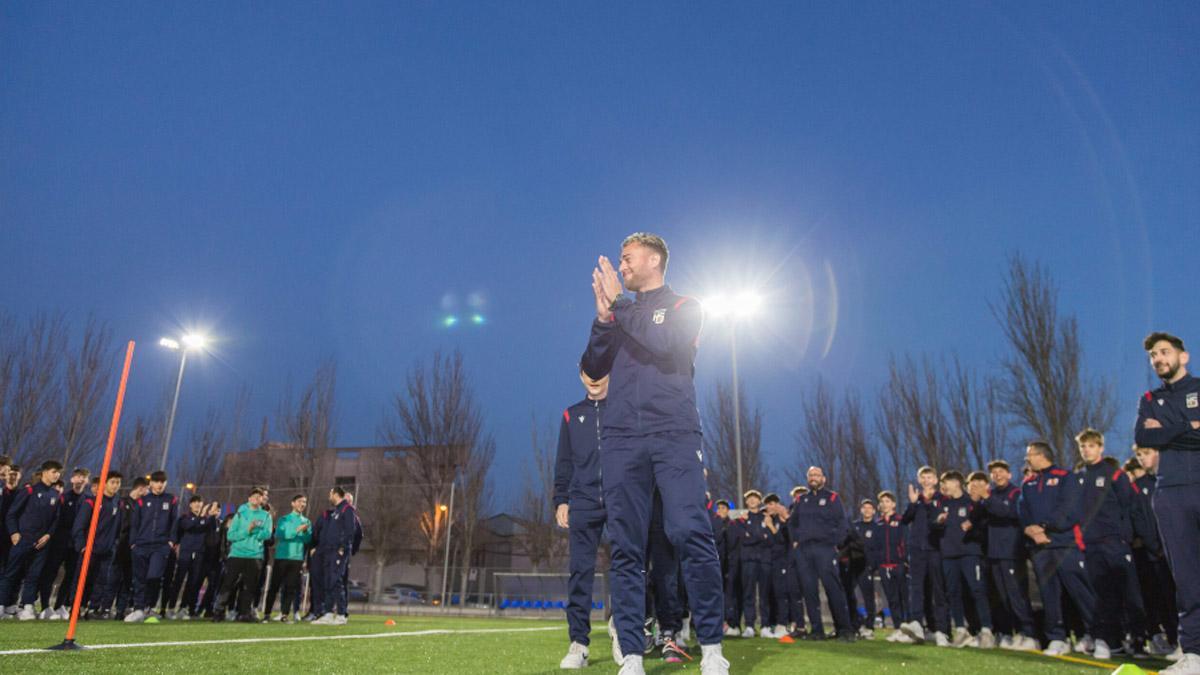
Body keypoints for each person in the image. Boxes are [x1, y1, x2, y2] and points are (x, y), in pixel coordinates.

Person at [582, 233, 728, 674]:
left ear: (654, 260)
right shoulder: (620, 314)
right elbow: (592, 369)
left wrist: (619, 307)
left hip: (674, 433)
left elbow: (664, 342)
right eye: (620, 260)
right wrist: (603, 320)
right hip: (622, 438)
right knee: (625, 545)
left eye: (628, 258)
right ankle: (631, 653)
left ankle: (712, 647)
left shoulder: (686, 307)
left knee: (688, 531)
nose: (621, 266)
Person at [1134, 332, 1200, 674]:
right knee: (1187, 581)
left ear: (1183, 356)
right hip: (1171, 494)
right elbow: (1144, 436)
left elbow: (1161, 435)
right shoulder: (1149, 398)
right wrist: (1190, 426)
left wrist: (1168, 429)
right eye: (1153, 355)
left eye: (1164, 352)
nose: (1158, 359)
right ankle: (1194, 655)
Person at [1072, 428, 1150, 659]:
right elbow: (1075, 514)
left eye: (1091, 446)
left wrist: (1128, 537)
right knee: (1103, 595)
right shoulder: (1078, 477)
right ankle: (1109, 641)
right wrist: (1081, 542)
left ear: (1101, 447)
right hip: (1091, 545)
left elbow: (1130, 506)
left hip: (1116, 543)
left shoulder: (1114, 474)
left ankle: (1139, 641)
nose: (1087, 450)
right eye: (1083, 446)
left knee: (1130, 593)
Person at [1019, 440, 1097, 657]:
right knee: (1048, 595)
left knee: (1080, 591)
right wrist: (1029, 529)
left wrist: (1045, 527)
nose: (1027, 459)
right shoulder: (1028, 483)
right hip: (1039, 548)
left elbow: (1070, 509)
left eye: (1029, 455)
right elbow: (1022, 510)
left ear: (1041, 455)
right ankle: (1057, 638)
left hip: (1065, 544)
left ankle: (1097, 635)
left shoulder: (1065, 477)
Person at [554, 369, 610, 669]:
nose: (594, 377)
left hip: (619, 499)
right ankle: (579, 643)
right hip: (584, 502)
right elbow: (563, 461)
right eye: (588, 372)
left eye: (600, 370)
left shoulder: (624, 409)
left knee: (630, 566)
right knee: (580, 571)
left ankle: (624, 631)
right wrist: (561, 499)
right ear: (580, 376)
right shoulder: (571, 415)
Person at [779, 466, 855, 642]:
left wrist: (836, 543)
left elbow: (842, 523)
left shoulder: (832, 498)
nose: (813, 477)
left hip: (825, 549)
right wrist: (795, 541)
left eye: (817, 475)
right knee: (809, 591)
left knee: (833, 589)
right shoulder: (801, 500)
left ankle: (844, 630)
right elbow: (792, 523)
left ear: (823, 479)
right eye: (811, 475)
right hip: (804, 551)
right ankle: (817, 630)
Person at [978, 461, 1037, 651]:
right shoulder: (990, 495)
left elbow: (1009, 512)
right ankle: (1011, 632)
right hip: (994, 553)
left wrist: (987, 498)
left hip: (1011, 552)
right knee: (1003, 596)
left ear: (1009, 474)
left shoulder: (1016, 493)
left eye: (1001, 471)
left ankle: (1029, 633)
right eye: (994, 473)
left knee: (1017, 594)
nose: (998, 475)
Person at [933, 471, 994, 649]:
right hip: (949, 555)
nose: (943, 486)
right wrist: (938, 521)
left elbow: (983, 526)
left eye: (945, 482)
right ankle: (960, 629)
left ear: (956, 483)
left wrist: (972, 528)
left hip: (970, 553)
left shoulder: (971, 502)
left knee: (977, 590)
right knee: (953, 592)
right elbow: (933, 526)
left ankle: (986, 630)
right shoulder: (942, 504)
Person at [1132, 445, 1181, 660]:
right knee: (1167, 599)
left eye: (1147, 453)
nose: (1142, 458)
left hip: (1180, 550)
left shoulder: (1175, 478)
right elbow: (1139, 519)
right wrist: (1156, 547)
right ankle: (1178, 641)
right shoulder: (1138, 486)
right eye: (1139, 455)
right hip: (1157, 555)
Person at [0, 460, 63, 620]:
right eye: (54, 471)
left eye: (58, 472)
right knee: (11, 573)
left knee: (33, 576)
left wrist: (48, 535)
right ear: (44, 472)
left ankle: (27, 606)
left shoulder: (56, 495)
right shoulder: (29, 491)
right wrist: (14, 533)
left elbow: (55, 520)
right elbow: (11, 514)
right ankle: (2, 605)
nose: (57, 475)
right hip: (22, 540)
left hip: (42, 543)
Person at [898, 466, 951, 647]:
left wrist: (928, 504)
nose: (926, 481)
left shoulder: (942, 499)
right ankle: (917, 624)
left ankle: (942, 630)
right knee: (916, 588)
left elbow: (939, 523)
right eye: (923, 477)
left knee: (938, 590)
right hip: (916, 550)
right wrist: (913, 503)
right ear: (919, 480)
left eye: (929, 477)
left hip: (935, 549)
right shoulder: (917, 499)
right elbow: (905, 520)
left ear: (936, 480)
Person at [213, 488, 273, 622]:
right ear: (249, 498)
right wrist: (248, 530)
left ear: (262, 500)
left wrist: (255, 533)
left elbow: (267, 534)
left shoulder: (266, 516)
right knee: (228, 583)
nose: (257, 499)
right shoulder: (240, 514)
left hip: (255, 555)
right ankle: (218, 612)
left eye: (259, 497)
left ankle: (244, 613)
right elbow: (231, 535)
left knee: (249, 586)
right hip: (237, 554)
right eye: (254, 496)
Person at [37, 466, 88, 620]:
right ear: (72, 479)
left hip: (76, 544)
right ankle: (45, 606)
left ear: (86, 481)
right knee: (50, 572)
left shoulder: (88, 500)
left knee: (71, 575)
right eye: (78, 476)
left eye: (83, 477)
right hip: (59, 541)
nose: (80, 479)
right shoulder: (63, 497)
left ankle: (60, 606)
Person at [126, 471, 177, 622]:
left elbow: (174, 521)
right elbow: (135, 523)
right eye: (157, 481)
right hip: (141, 545)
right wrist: (133, 543)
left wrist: (171, 541)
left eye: (162, 482)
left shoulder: (171, 500)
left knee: (154, 576)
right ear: (151, 483)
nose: (160, 484)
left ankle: (149, 607)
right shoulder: (142, 501)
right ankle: (138, 609)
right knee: (139, 579)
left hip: (161, 546)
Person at [72, 471, 123, 619]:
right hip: (90, 549)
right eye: (112, 482)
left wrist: (114, 545)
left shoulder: (118, 503)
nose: (115, 486)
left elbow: (118, 527)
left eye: (118, 483)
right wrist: (82, 545)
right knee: (83, 579)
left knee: (101, 581)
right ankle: (75, 608)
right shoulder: (92, 502)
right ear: (104, 483)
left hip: (107, 550)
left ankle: (93, 608)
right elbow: (79, 526)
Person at [166, 496, 218, 619]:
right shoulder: (185, 517)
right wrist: (201, 516)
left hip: (199, 554)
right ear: (190, 505)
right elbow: (188, 526)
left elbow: (211, 531)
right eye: (195, 502)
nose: (197, 504)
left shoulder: (206, 519)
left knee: (192, 582)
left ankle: (183, 608)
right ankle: (171, 608)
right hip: (185, 553)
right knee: (178, 580)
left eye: (199, 502)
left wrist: (211, 516)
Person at [265, 494, 311, 623]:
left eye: (304, 502)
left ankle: (284, 615)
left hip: (297, 558)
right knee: (274, 586)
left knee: (291, 588)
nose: (302, 504)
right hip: (282, 556)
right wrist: (297, 531)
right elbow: (280, 534)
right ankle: (267, 614)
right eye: (300, 501)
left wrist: (304, 532)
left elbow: (307, 540)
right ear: (293, 503)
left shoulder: (306, 521)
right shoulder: (283, 519)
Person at [311, 487, 354, 625]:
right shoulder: (336, 511)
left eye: (330, 494)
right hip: (329, 551)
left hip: (338, 551)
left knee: (336, 581)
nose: (329, 496)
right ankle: (328, 613)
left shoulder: (347, 509)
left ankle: (341, 614)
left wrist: (342, 548)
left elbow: (350, 530)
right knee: (328, 581)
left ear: (336, 494)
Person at [875, 492, 909, 642]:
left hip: (899, 565)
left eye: (887, 501)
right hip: (883, 567)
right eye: (882, 501)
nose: (884, 504)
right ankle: (898, 628)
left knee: (904, 598)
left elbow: (906, 541)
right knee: (892, 599)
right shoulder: (878, 523)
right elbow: (875, 546)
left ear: (893, 504)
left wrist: (905, 560)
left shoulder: (901, 521)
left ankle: (908, 627)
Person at [737, 489, 770, 638]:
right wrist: (760, 536)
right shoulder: (742, 519)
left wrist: (753, 536)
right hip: (748, 560)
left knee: (765, 594)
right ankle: (749, 625)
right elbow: (743, 539)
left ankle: (765, 626)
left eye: (755, 498)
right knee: (748, 593)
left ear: (759, 501)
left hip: (764, 560)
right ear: (746, 501)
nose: (752, 500)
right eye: (749, 498)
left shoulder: (766, 517)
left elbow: (769, 539)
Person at [113, 477, 148, 618]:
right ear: (141, 489)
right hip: (119, 545)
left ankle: (120, 609)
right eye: (146, 490)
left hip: (132, 548)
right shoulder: (122, 502)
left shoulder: (142, 505)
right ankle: (104, 607)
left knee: (128, 579)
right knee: (114, 578)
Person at [761, 493, 791, 639]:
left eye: (772, 503)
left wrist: (771, 527)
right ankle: (771, 624)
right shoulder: (767, 520)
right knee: (770, 594)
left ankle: (783, 624)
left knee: (781, 593)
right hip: (769, 561)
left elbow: (782, 541)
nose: (770, 506)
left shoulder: (782, 521)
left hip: (782, 561)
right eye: (767, 504)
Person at [847, 498, 878, 640]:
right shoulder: (854, 526)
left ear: (874, 511)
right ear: (861, 510)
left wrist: (872, 565)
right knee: (848, 595)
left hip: (866, 567)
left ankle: (869, 626)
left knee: (868, 598)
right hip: (853, 567)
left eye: (869, 508)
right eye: (864, 507)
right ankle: (856, 623)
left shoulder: (877, 527)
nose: (867, 510)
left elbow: (878, 549)